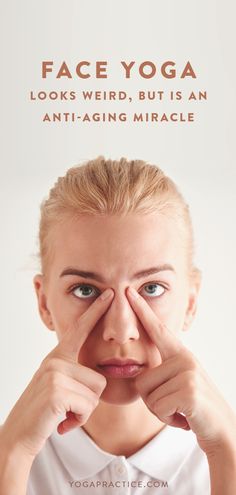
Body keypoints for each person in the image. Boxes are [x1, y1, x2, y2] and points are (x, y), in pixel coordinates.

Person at [0, 157, 235, 495]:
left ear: (190, 301)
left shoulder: (227, 455)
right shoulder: (10, 452)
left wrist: (227, 454)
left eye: (151, 288)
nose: (120, 330)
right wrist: (12, 458)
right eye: (86, 290)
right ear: (43, 302)